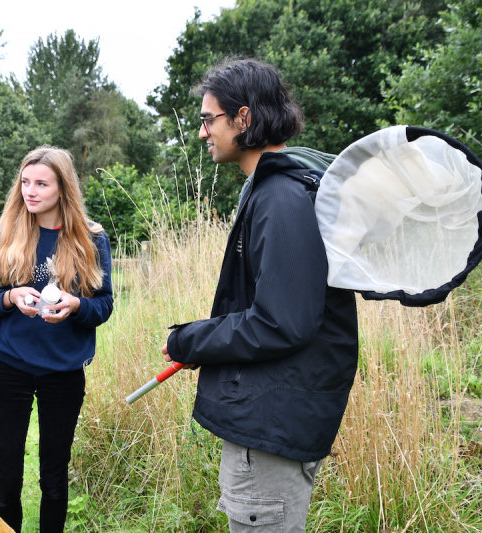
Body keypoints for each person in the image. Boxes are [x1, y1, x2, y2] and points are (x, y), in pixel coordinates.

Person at [161, 58, 359, 532]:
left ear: (243, 118)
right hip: (271, 416)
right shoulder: (275, 189)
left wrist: (191, 340)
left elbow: (280, 321)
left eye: (209, 119)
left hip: (271, 428)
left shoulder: (282, 198)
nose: (204, 132)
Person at [0, 146, 113, 532]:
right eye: (24, 182)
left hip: (63, 372)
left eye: (41, 183)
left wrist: (76, 306)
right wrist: (10, 296)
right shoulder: (8, 232)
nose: (29, 191)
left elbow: (103, 306)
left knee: (54, 478)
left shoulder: (91, 239)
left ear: (63, 188)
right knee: (7, 476)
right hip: (10, 369)